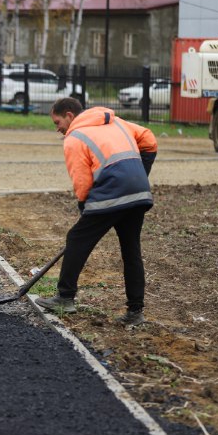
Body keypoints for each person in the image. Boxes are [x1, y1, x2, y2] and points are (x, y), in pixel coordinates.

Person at [35, 97, 157, 326]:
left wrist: (85, 207)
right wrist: (140, 175)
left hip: (111, 193)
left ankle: (65, 297)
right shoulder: (116, 122)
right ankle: (135, 311)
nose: (58, 129)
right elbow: (149, 140)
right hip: (138, 194)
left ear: (69, 115)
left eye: (57, 122)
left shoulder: (75, 137)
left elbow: (82, 181)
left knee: (76, 239)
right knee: (131, 250)